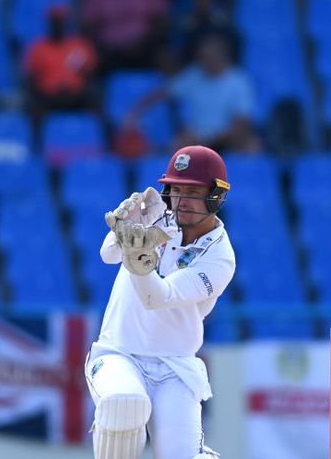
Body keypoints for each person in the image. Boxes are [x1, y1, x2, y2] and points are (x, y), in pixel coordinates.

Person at [85, 145, 233, 459]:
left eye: (192, 192)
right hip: (118, 354)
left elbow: (157, 297)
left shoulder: (220, 258)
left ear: (215, 196)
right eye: (176, 190)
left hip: (174, 367)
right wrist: (123, 230)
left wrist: (139, 262)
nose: (181, 202)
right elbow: (107, 255)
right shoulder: (158, 217)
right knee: (124, 403)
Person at [126, 33, 261, 153]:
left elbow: (242, 122)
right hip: (197, 136)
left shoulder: (239, 81)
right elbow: (163, 92)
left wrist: (214, 138)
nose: (204, 60)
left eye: (209, 56)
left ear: (222, 56)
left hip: (228, 136)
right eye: (202, 56)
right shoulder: (193, 75)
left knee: (252, 146)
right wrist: (136, 111)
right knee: (178, 144)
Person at [22, 4, 97, 113]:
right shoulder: (38, 48)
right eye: (55, 22)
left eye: (60, 22)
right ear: (49, 24)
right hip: (49, 96)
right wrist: (45, 93)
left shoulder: (80, 45)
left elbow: (90, 73)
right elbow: (31, 79)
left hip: (75, 95)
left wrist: (77, 89)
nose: (58, 25)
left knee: (96, 105)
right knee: (34, 109)